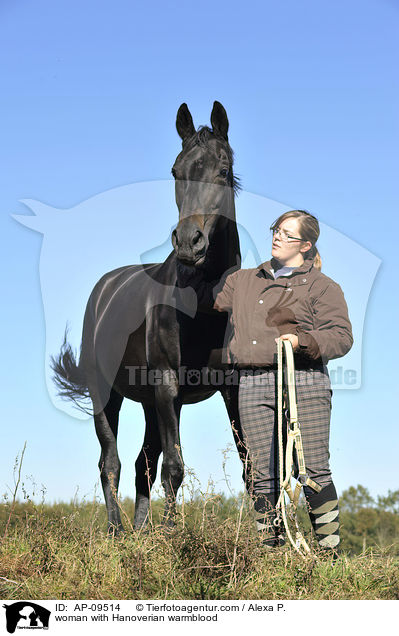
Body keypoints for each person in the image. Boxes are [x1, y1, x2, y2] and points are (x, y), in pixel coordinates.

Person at [179, 210, 353, 553]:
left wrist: (302, 342)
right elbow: (204, 299)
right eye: (276, 229)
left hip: (304, 380)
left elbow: (341, 337)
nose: (277, 236)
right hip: (252, 384)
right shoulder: (242, 281)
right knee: (263, 475)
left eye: (287, 234)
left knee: (314, 469)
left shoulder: (323, 287)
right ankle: (270, 556)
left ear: (305, 245)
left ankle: (330, 555)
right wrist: (185, 262)